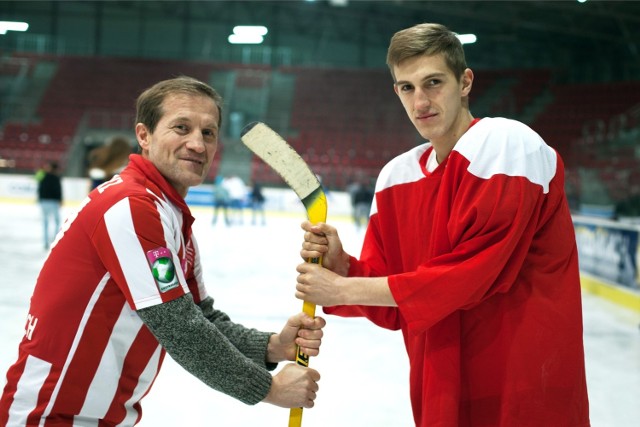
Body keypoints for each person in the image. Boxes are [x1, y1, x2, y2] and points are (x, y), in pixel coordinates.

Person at [295, 23, 589, 426]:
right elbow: (394, 304)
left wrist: (343, 287)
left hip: (522, 393)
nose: (420, 101)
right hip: (440, 395)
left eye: (433, 82)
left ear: (465, 81)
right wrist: (343, 265)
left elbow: (469, 277)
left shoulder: (506, 143)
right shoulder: (395, 178)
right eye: (406, 87)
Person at [0, 76, 325, 426]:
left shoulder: (169, 216)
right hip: (52, 417)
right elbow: (178, 327)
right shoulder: (129, 206)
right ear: (144, 135)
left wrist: (272, 347)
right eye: (181, 128)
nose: (197, 144)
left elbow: (201, 316)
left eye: (208, 133)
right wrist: (268, 389)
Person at [36, 161, 62, 249]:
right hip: (53, 202)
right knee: (56, 221)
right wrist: (60, 200)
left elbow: (40, 188)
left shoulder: (43, 176)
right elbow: (58, 190)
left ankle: (46, 241)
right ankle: (54, 239)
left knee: (46, 222)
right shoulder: (56, 177)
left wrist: (40, 199)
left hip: (45, 202)